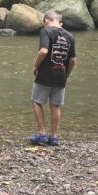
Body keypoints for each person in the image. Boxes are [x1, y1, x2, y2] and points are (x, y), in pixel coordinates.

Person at [30, 9, 76, 147]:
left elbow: (44, 51)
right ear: (59, 21)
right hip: (61, 75)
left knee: (36, 101)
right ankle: (54, 137)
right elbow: (73, 60)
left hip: (45, 73)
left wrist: (35, 65)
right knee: (55, 106)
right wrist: (66, 76)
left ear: (46, 21)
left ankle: (41, 133)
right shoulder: (70, 36)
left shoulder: (46, 31)